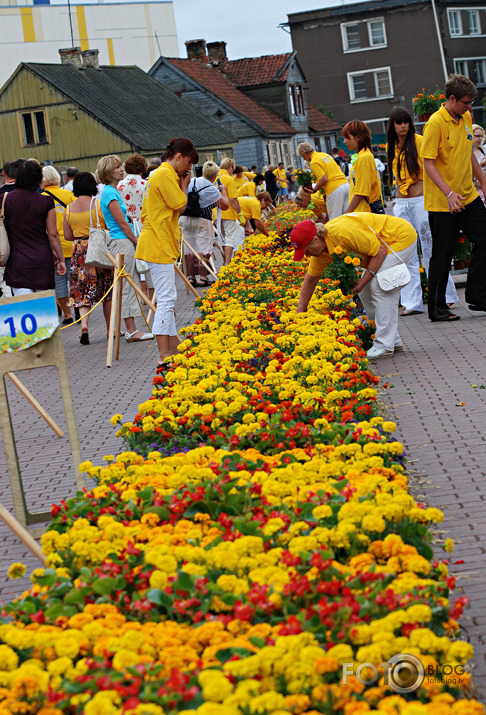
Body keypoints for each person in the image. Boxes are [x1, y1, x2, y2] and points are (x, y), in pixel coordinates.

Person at [292, 213, 417, 359]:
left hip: (398, 237)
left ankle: (384, 345)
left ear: (315, 239)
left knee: (379, 286)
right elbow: (311, 280)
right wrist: (300, 312)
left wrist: (363, 281)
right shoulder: (320, 251)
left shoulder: (343, 233)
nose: (306, 255)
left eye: (306, 251)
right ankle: (392, 341)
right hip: (381, 246)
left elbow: (380, 251)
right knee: (365, 292)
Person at [421, 74, 486, 321]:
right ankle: (436, 308)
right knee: (442, 253)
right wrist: (448, 193)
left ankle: (478, 296)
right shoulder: (435, 123)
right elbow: (428, 163)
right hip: (443, 201)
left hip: (467, 196)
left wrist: (483, 182)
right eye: (466, 102)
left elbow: (469, 153)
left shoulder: (466, 118)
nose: (470, 107)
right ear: (451, 99)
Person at [386, 107, 458, 316]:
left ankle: (447, 296)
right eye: (399, 123)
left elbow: (431, 166)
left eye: (406, 122)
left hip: (421, 200)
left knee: (430, 248)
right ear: (393, 125)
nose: (403, 126)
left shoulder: (418, 141)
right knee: (404, 252)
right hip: (401, 203)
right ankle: (411, 302)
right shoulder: (391, 145)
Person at [136, 137, 197, 368]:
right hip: (158, 241)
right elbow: (181, 205)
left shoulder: (160, 174)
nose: (188, 169)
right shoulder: (164, 175)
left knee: (166, 297)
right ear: (178, 156)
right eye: (188, 163)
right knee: (166, 299)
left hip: (158, 239)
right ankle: (163, 354)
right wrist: (184, 185)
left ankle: (172, 347)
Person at [97, 154, 153, 343]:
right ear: (108, 172)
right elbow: (121, 222)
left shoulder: (110, 191)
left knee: (129, 283)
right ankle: (131, 329)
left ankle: (131, 328)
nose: (122, 169)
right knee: (128, 284)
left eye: (121, 166)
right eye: (117, 167)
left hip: (120, 240)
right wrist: (136, 240)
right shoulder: (110, 193)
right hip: (121, 241)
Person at [63, 172, 113, 345]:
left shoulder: (69, 208)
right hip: (97, 248)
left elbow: (68, 235)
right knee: (107, 291)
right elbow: (108, 227)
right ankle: (110, 330)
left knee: (83, 291)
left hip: (78, 251)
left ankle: (84, 325)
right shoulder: (97, 204)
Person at [3, 160, 65, 294]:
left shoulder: (5, 199)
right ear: (38, 179)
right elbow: (53, 234)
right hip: (42, 259)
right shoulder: (46, 201)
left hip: (17, 260)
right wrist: (60, 259)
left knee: (24, 307)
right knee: (43, 306)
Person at [179, 160, 228, 288]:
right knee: (204, 248)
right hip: (202, 219)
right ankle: (203, 278)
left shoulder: (192, 181)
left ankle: (190, 277)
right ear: (214, 176)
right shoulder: (210, 187)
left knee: (189, 249)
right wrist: (223, 191)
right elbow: (225, 205)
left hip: (184, 218)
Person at [41, 166, 75, 324]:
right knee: (74, 280)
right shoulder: (68, 195)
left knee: (59, 281)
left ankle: (67, 314)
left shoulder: (40, 198)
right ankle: (78, 308)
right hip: (71, 242)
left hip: (53, 245)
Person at [297, 142, 349, 219]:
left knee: (335, 220)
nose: (304, 159)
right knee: (347, 217)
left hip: (334, 188)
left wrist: (314, 190)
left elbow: (323, 179)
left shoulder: (314, 162)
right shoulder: (324, 155)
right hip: (345, 184)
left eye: (302, 156)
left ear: (305, 153)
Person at [342, 121, 381, 213]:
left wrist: (348, 212)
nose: (344, 141)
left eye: (347, 137)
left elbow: (361, 192)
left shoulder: (364, 158)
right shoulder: (362, 155)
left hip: (364, 211)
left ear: (358, 138)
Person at [217, 158, 244, 266]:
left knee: (222, 239)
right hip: (228, 212)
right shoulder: (229, 179)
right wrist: (240, 213)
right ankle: (227, 263)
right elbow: (233, 199)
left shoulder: (216, 177)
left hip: (217, 213)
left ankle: (224, 261)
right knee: (230, 238)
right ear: (230, 167)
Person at [117, 154, 148, 222]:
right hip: (144, 223)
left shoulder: (118, 185)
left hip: (126, 223)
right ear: (143, 167)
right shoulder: (147, 185)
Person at [472, 124, 486, 204]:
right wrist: (480, 165)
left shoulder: (482, 150)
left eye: (481, 136)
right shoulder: (468, 152)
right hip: (475, 188)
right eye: (477, 136)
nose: (480, 138)